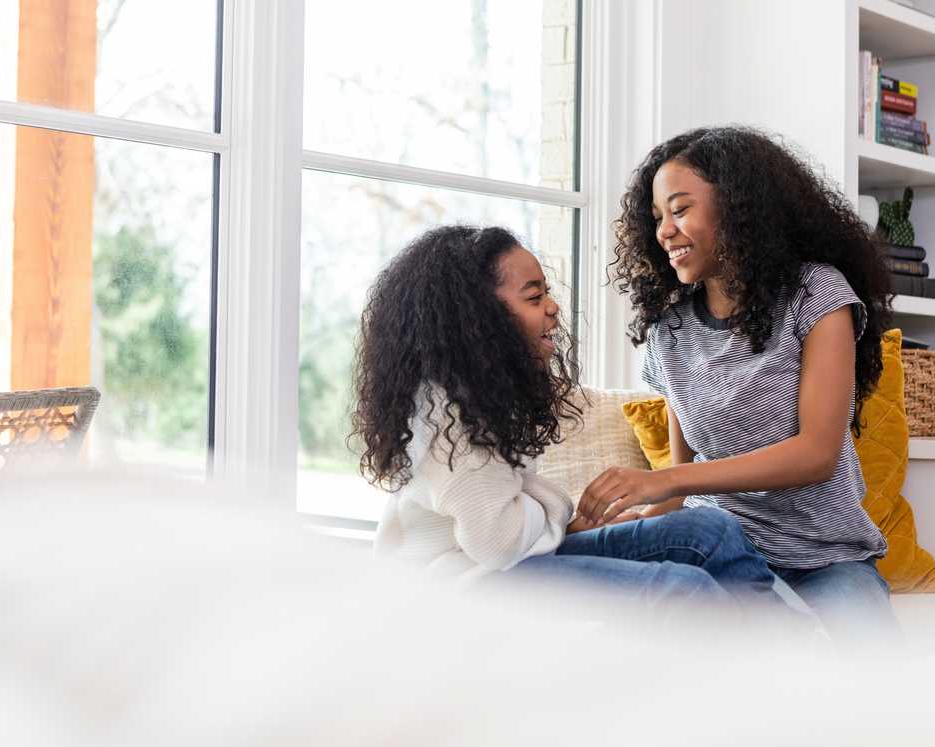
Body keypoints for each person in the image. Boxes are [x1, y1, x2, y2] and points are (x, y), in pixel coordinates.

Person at [352, 224, 798, 624]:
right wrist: (557, 513)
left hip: (497, 565)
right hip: (456, 587)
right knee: (681, 589)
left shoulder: (485, 394)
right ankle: (782, 679)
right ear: (478, 319)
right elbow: (498, 542)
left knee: (710, 530)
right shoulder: (446, 417)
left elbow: (509, 511)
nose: (552, 308)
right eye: (534, 296)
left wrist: (551, 520)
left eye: (545, 293)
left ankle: (792, 653)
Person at [575, 126, 902, 644]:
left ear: (738, 207)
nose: (664, 231)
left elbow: (817, 453)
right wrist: (623, 520)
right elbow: (680, 480)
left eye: (679, 210)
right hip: (715, 549)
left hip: (822, 557)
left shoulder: (815, 295)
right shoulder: (669, 326)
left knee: (875, 676)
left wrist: (665, 483)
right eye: (658, 217)